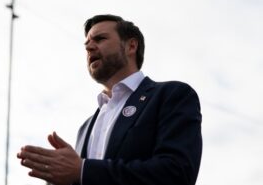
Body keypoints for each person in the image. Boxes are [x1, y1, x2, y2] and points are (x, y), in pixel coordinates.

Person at [17, 14, 202, 185]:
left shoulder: (171, 95)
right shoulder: (85, 127)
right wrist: (61, 178)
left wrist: (82, 170)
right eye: (87, 43)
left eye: (100, 39)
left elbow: (177, 173)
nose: (89, 47)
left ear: (131, 46)